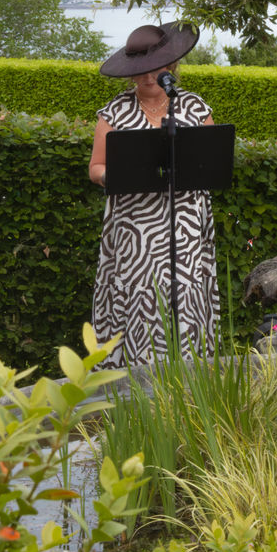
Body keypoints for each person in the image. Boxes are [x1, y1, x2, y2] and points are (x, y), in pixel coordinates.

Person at [89, 22, 220, 368]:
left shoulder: (194, 107)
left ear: (171, 66)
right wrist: (116, 176)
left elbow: (211, 160)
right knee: (142, 297)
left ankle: (189, 380)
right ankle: (138, 383)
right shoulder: (114, 112)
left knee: (185, 294)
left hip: (185, 224)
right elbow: (96, 167)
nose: (148, 77)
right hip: (136, 229)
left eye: (155, 69)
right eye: (140, 71)